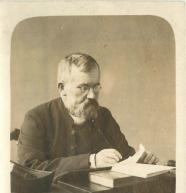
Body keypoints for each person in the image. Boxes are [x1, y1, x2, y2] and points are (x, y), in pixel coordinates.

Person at [17, 53, 157, 181]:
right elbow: (30, 171)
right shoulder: (36, 118)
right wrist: (91, 161)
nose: (92, 95)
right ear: (62, 89)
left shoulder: (104, 116)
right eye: (83, 88)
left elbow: (125, 155)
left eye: (95, 87)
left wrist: (140, 161)